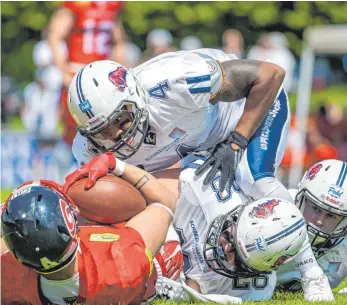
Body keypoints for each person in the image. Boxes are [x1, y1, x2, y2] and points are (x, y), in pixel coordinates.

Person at [66, 48, 292, 206]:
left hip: (244, 111)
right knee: (183, 203)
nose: (116, 135)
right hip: (203, 144)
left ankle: (308, 262)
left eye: (119, 119)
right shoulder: (88, 149)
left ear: (133, 97)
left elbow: (270, 74)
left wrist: (236, 141)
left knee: (254, 182)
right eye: (102, 131)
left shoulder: (173, 83)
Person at [1, 156, 179, 305]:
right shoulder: (118, 260)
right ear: (70, 225)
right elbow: (164, 203)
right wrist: (116, 164)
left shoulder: (8, 279)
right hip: (160, 256)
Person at [48, 1, 126, 149]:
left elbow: (119, 42)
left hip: (102, 77)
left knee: (106, 127)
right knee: (75, 128)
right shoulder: (77, 4)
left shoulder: (112, 5)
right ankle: (70, 166)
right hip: (77, 74)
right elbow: (54, 36)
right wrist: (64, 71)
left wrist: (121, 72)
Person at [276, 159, 347, 297]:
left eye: (332, 216)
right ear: (300, 199)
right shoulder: (277, 209)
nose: (320, 221)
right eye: (315, 208)